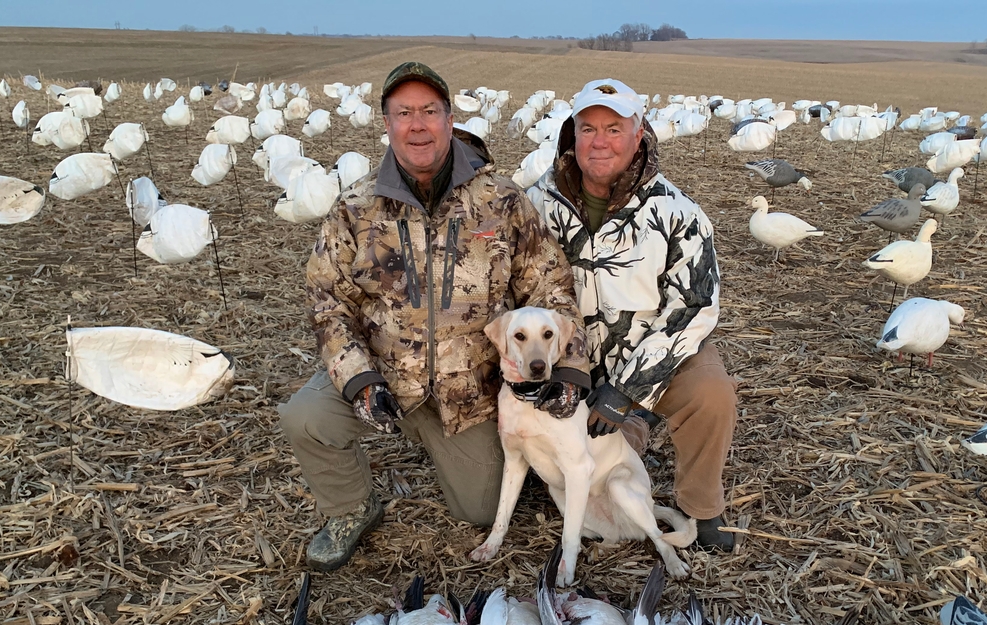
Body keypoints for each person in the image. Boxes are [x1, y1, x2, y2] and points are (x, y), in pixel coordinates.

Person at [280, 62, 589, 571]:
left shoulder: (502, 200)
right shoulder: (355, 207)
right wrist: (359, 380)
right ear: (386, 123)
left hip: (469, 390)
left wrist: (571, 369)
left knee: (479, 509)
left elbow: (551, 287)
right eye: (404, 112)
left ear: (450, 119)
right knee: (305, 417)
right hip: (383, 373)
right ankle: (350, 509)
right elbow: (326, 302)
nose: (417, 124)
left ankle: (455, 446)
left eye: (429, 111)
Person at [528, 79, 738, 550]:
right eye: (587, 128)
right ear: (571, 136)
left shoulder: (677, 213)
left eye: (613, 128)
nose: (599, 140)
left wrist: (626, 390)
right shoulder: (535, 205)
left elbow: (694, 307)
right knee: (555, 480)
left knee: (711, 392)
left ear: (639, 132)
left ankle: (700, 507)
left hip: (648, 357)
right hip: (564, 366)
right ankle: (627, 433)